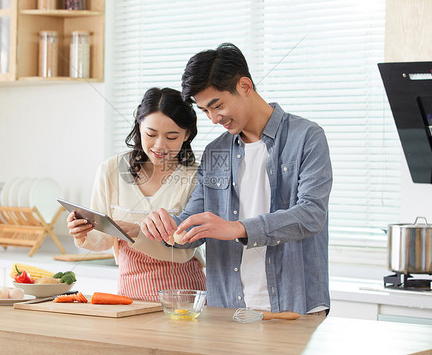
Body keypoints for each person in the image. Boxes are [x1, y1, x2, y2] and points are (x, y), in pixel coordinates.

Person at [140, 43, 333, 315]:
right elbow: (194, 220)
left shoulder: (306, 138)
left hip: (294, 308)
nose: (214, 118)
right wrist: (167, 228)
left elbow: (311, 214)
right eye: (205, 110)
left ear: (244, 86)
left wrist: (238, 228)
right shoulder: (215, 151)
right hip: (228, 311)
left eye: (216, 105)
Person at [67, 87, 206, 301]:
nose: (160, 145)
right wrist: (82, 233)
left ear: (187, 135)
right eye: (151, 134)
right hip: (128, 293)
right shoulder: (111, 169)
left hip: (182, 293)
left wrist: (136, 233)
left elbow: (184, 251)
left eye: (172, 136)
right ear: (139, 127)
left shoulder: (195, 177)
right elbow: (103, 240)